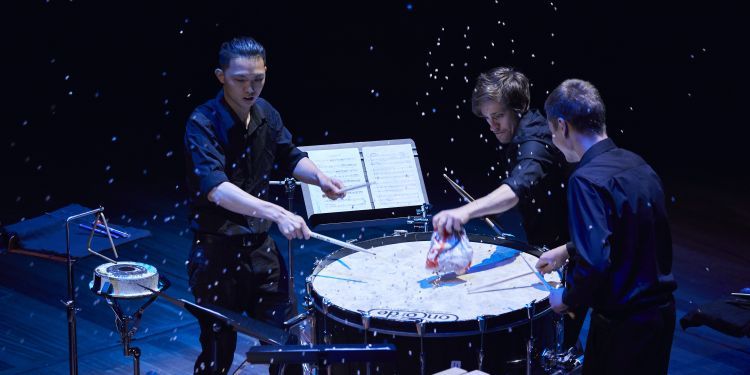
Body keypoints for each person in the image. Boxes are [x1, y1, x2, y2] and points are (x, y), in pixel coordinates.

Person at [184, 36, 345, 374]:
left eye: (258, 79)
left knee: (287, 345)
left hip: (260, 250)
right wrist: (276, 212)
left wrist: (320, 178)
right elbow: (216, 189)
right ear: (220, 76)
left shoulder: (266, 113)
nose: (250, 88)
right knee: (217, 353)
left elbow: (290, 155)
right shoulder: (202, 122)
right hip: (216, 254)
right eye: (240, 79)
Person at [540, 79, 677, 374]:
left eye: (552, 131)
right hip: (661, 317)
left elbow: (596, 264)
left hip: (623, 327)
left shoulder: (585, 180)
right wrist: (568, 249)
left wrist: (565, 299)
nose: (553, 139)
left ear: (563, 126)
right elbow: (630, 232)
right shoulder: (639, 164)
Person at [432, 67, 569, 250]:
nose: (492, 126)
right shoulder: (524, 129)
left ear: (518, 108)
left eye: (498, 116)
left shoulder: (535, 143)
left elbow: (517, 188)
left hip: (569, 255)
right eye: (487, 118)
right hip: (548, 245)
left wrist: (465, 211)